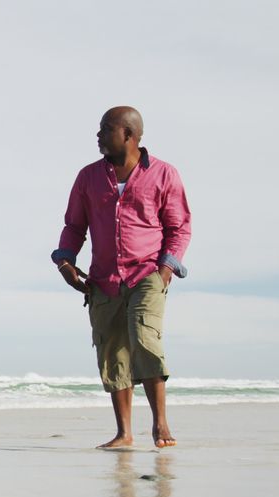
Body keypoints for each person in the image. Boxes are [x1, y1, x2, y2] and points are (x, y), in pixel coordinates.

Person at [52, 106, 191, 448]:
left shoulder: (164, 174)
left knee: (145, 340)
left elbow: (179, 226)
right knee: (112, 351)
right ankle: (124, 433)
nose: (97, 135)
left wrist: (165, 270)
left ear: (128, 134)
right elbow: (74, 226)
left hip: (148, 273)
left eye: (105, 129)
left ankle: (160, 426)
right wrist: (65, 261)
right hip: (103, 279)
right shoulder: (88, 177)